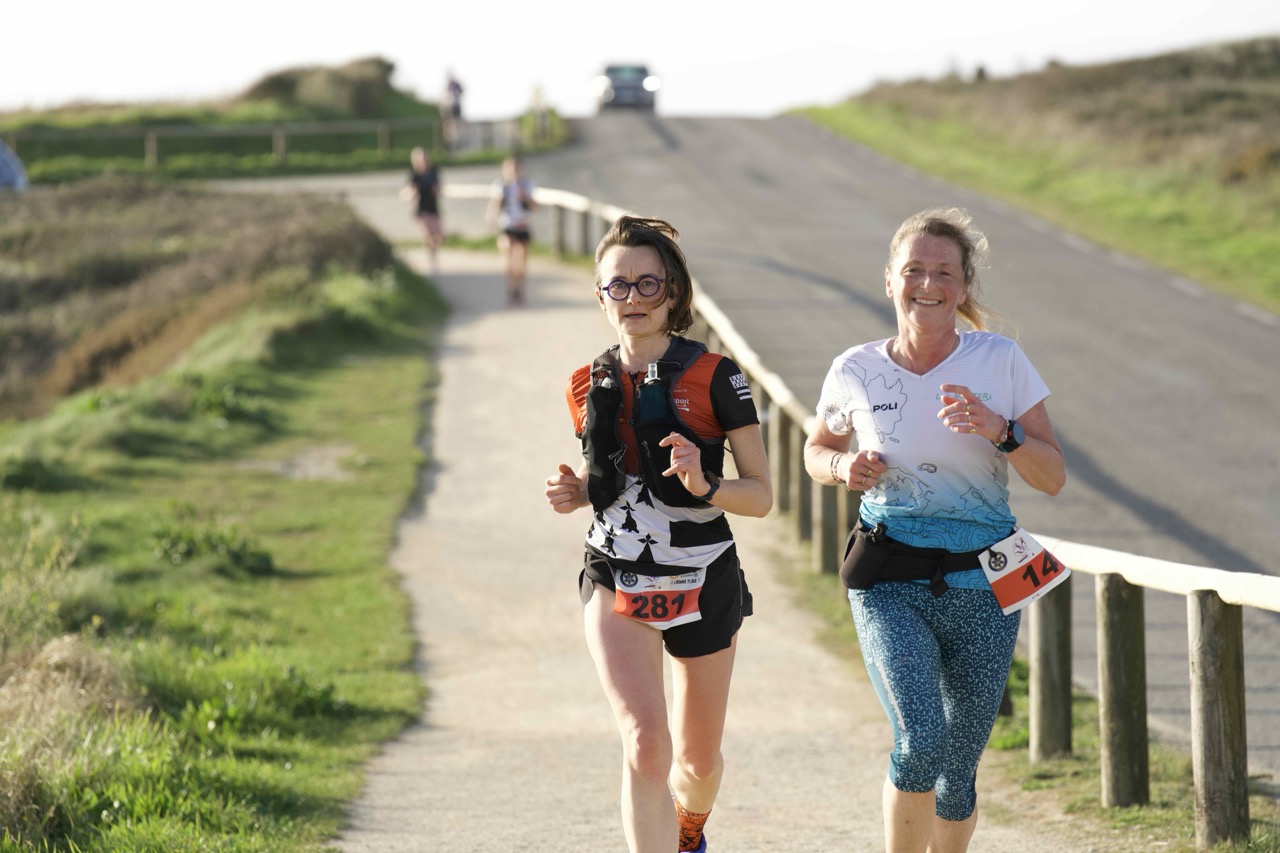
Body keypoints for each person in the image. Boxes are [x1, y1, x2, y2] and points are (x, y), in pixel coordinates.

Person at [802, 207, 1066, 853]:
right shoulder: (855, 368)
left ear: (964, 284)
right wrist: (842, 466)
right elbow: (817, 449)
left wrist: (1001, 431)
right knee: (920, 743)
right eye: (914, 269)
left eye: (945, 272)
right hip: (889, 577)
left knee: (957, 771)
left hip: (984, 582)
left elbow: (1053, 476)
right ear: (890, 279)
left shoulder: (1000, 360)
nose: (928, 284)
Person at [544, 216, 772, 853]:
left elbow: (761, 496)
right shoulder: (584, 383)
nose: (634, 298)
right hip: (615, 572)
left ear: (673, 292)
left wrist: (705, 484)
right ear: (600, 296)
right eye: (618, 286)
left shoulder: (717, 377)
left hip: (703, 577)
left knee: (696, 765)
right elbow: (613, 481)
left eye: (648, 283)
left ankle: (688, 828)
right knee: (646, 743)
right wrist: (575, 492)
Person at [486, 155, 537, 306]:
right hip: (507, 226)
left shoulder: (527, 184)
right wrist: (492, 215)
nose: (513, 171)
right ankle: (510, 290)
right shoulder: (500, 185)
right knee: (508, 259)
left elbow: (534, 206)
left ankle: (519, 290)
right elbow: (494, 204)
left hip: (523, 226)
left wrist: (524, 196)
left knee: (521, 262)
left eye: (516, 168)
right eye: (510, 168)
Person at [399, 147, 442, 272]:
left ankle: (433, 255)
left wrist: (437, 190)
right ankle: (432, 260)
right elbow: (408, 190)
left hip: (433, 207)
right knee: (428, 235)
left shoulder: (433, 172)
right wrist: (409, 194)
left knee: (438, 236)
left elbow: (438, 187)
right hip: (421, 209)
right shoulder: (414, 175)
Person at [441, 71, 464, 150]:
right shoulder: (446, 86)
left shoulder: (456, 84)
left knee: (457, 124)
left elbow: (461, 92)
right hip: (448, 108)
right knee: (448, 125)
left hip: (456, 107)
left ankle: (458, 141)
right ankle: (450, 142)